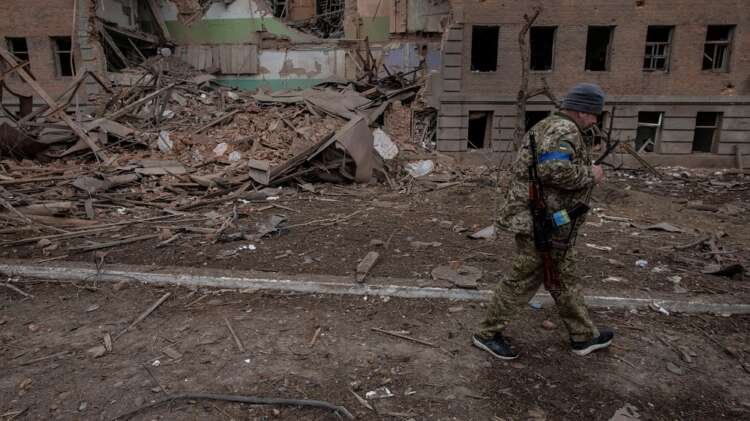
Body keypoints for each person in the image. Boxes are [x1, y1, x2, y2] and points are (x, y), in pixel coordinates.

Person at [472, 83, 613, 360]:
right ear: (582, 111)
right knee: (522, 279)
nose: (596, 120)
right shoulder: (563, 130)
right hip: (540, 223)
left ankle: (584, 336)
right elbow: (553, 170)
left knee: (563, 278)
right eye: (594, 114)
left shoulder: (553, 126)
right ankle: (486, 333)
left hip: (552, 222)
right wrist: (591, 174)